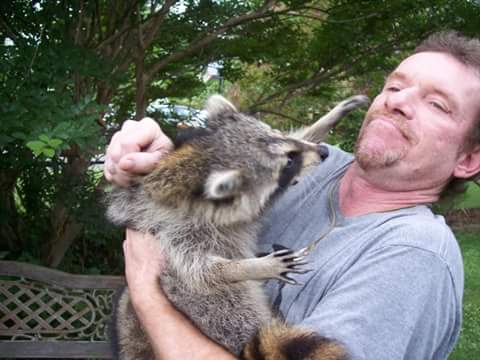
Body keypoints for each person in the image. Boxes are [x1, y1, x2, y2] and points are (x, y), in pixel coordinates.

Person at [104, 31, 480, 359]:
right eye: (395, 86)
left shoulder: (413, 255)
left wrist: (146, 294)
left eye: (437, 104)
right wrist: (160, 157)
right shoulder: (322, 167)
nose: (396, 101)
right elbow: (241, 167)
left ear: (468, 159)